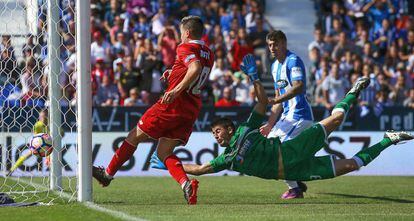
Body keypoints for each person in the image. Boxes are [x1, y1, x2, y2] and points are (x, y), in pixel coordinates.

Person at [151, 55, 413, 195]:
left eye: (217, 131)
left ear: (229, 128)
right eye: (213, 134)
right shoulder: (227, 159)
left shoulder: (245, 130)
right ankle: (388, 139)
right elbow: (198, 168)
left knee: (335, 119)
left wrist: (255, 78)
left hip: (291, 151)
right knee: (351, 165)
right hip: (294, 169)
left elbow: (262, 103)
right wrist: (169, 163)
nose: (216, 137)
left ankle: (353, 92)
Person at [92, 16, 214, 205]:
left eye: (181, 32)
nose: (180, 36)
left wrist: (174, 90)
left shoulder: (185, 47)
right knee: (164, 152)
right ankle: (186, 184)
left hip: (172, 105)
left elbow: (194, 68)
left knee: (134, 136)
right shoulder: (208, 52)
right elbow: (194, 70)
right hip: (191, 109)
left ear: (187, 33)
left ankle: (107, 175)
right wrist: (173, 74)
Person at [259, 30, 314, 199]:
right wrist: (269, 124)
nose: (272, 48)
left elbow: (298, 86)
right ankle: (296, 182)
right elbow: (278, 100)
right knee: (269, 148)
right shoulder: (275, 66)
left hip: (299, 116)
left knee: (275, 151)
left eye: (275, 44)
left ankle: (295, 188)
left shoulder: (293, 61)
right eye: (269, 45)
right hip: (287, 118)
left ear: (284, 43)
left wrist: (277, 100)